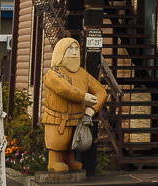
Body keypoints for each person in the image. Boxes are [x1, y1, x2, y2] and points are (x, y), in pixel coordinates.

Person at [41, 37, 108, 173]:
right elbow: (64, 89)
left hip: (77, 117)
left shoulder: (82, 73)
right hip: (58, 119)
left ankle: (69, 159)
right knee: (58, 141)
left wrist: (91, 109)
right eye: (70, 49)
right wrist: (84, 97)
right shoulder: (53, 74)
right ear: (60, 52)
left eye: (76, 49)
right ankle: (54, 161)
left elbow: (101, 91)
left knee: (72, 141)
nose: (74, 53)